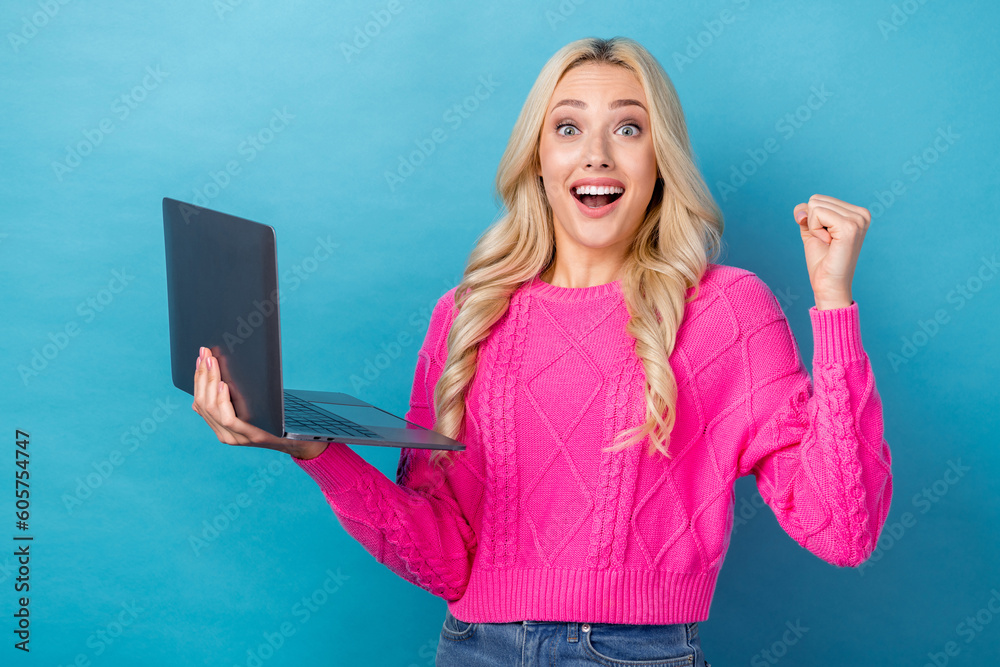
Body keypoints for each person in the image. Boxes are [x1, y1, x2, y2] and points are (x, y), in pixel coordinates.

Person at [191, 36, 892, 667]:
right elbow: (445, 562)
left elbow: (843, 529)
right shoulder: (466, 315)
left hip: (638, 654)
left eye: (627, 127)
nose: (596, 154)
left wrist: (833, 305)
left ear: (660, 159)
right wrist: (320, 454)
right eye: (568, 128)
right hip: (472, 650)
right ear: (538, 156)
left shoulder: (726, 309)